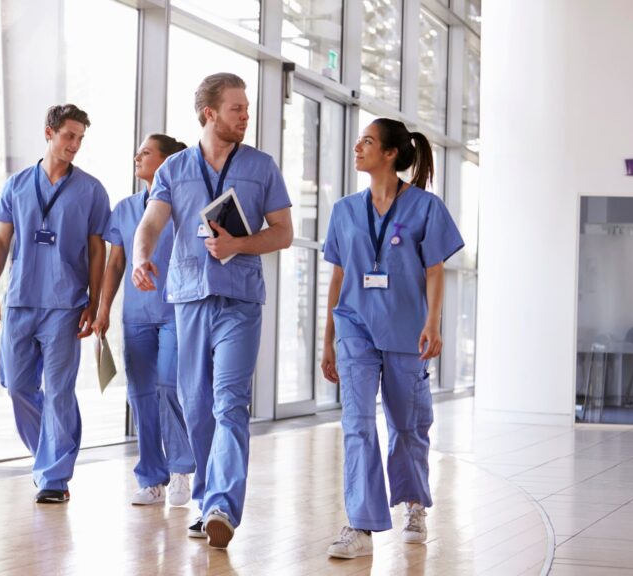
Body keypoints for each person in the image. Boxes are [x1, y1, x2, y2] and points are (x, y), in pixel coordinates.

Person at [131, 73, 293, 549]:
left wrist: (239, 244)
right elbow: (151, 223)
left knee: (229, 402)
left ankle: (222, 503)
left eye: (246, 108)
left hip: (240, 301)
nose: (246, 116)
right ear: (210, 114)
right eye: (237, 109)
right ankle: (206, 502)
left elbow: (282, 231)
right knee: (197, 406)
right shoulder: (174, 169)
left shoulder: (262, 167)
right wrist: (142, 258)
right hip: (188, 299)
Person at [320, 118, 464, 558]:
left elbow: (435, 270)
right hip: (355, 329)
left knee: (407, 425)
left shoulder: (426, 207)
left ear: (390, 154)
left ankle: (414, 503)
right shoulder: (345, 210)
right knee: (357, 424)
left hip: (406, 329)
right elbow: (338, 275)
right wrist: (327, 339)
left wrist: (433, 323)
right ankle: (360, 526)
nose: (357, 146)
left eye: (367, 141)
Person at [0, 103, 110, 504]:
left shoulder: (91, 190)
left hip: (65, 304)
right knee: (18, 385)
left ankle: (54, 476)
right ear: (49, 133)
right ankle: (47, 456)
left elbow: (96, 250)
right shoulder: (17, 185)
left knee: (58, 391)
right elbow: (2, 240)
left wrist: (94, 300)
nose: (75, 145)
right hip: (20, 300)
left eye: (80, 139)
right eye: (69, 136)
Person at [92, 134, 195, 507]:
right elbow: (115, 262)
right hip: (135, 316)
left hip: (175, 311)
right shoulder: (124, 208)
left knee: (169, 386)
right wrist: (103, 309)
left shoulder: (184, 206)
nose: (138, 156)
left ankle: (182, 468)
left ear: (168, 162)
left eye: (147, 152)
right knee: (141, 396)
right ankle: (152, 477)